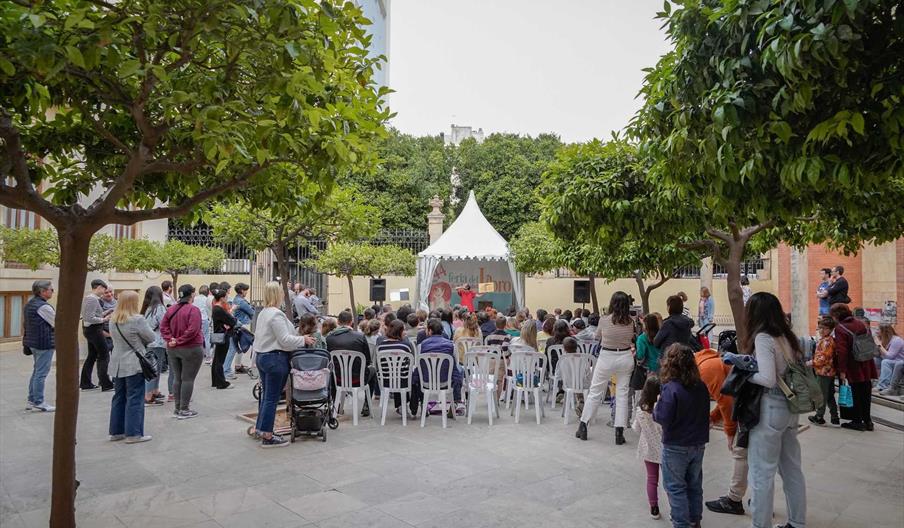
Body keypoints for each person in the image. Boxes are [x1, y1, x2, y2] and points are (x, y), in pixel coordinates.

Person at [745, 292, 807, 528]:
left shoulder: (763, 338)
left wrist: (745, 373)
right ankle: (797, 522)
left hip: (771, 407)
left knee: (762, 473)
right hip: (791, 409)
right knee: (792, 468)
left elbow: (768, 378)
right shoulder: (786, 337)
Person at [653, 344, 711, 528]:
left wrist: (656, 407)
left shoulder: (671, 389)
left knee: (675, 487)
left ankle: (681, 523)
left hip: (676, 445)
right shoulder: (701, 386)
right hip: (698, 443)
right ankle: (695, 520)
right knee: (694, 484)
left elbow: (663, 417)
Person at [253, 282, 313, 447]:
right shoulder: (276, 314)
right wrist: (303, 339)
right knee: (271, 398)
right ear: (277, 295)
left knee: (266, 396)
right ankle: (268, 435)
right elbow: (285, 340)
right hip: (275, 358)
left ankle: (261, 428)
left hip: (263, 357)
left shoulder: (263, 313)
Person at [576, 292, 637, 445]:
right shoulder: (632, 321)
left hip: (606, 357)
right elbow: (632, 338)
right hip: (625, 357)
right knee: (622, 394)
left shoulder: (604, 320)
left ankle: (583, 426)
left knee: (595, 392)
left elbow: (597, 337)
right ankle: (619, 432)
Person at [698, 344, 747, 516]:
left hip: (749, 407)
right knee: (756, 458)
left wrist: (730, 433)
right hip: (749, 402)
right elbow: (726, 397)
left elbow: (726, 402)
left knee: (740, 452)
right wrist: (712, 418)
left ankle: (734, 500)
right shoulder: (706, 361)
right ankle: (760, 499)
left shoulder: (705, 371)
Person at [108, 290, 156, 443]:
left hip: (117, 362)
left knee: (118, 397)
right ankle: (133, 433)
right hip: (134, 363)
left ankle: (116, 431)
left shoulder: (113, 319)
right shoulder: (137, 319)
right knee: (135, 397)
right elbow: (151, 337)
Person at [831, 303, 877, 431]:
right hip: (866, 362)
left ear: (836, 315)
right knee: (866, 392)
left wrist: (842, 370)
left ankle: (857, 421)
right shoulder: (860, 323)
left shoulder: (841, 328)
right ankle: (868, 421)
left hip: (853, 365)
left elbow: (842, 351)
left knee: (854, 392)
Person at [160, 284, 204, 419]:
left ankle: (177, 408)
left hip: (173, 348)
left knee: (177, 378)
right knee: (188, 379)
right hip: (191, 348)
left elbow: (163, 326)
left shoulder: (171, 309)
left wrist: (171, 339)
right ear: (191, 294)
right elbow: (193, 330)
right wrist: (179, 340)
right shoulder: (193, 310)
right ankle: (184, 409)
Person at [326, 310, 376, 418]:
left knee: (332, 372)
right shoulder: (360, 337)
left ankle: (336, 404)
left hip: (338, 379)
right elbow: (367, 360)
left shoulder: (329, 338)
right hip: (359, 379)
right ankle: (366, 404)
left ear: (338, 322)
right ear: (351, 322)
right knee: (373, 370)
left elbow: (328, 360)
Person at [412, 318, 465, 416]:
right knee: (460, 369)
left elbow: (417, 364)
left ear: (430, 331)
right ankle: (456, 402)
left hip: (426, 382)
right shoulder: (451, 345)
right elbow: (456, 363)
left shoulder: (420, 346)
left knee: (416, 372)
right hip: (446, 382)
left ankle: (423, 403)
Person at [632, 376, 663, 520]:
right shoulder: (662, 407)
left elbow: (636, 429)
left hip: (647, 448)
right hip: (664, 449)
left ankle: (654, 508)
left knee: (652, 479)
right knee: (670, 482)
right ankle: (675, 508)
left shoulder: (640, 409)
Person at [23, 280, 56, 412]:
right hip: (44, 343)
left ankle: (31, 399)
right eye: (51, 289)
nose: (52, 291)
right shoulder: (44, 307)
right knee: (41, 373)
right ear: (43, 291)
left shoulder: (30, 303)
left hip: (33, 342)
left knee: (37, 371)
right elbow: (57, 322)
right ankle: (39, 401)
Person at [376, 319, 416, 416]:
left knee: (396, 372)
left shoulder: (381, 346)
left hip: (386, 381)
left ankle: (400, 406)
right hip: (403, 381)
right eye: (404, 330)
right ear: (400, 331)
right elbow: (411, 362)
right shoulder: (406, 346)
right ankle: (413, 406)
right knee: (411, 374)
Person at [80, 279, 114, 392]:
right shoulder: (92, 299)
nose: (104, 292)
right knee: (104, 355)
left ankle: (85, 383)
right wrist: (104, 319)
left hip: (91, 329)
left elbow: (94, 314)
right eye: (104, 289)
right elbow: (89, 317)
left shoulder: (91, 299)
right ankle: (106, 383)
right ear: (99, 287)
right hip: (94, 330)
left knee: (92, 356)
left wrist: (107, 312)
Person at [805, 317, 839, 426]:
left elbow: (823, 357)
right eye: (820, 328)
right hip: (829, 372)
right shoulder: (828, 340)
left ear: (829, 329)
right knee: (829, 395)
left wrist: (812, 362)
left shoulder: (826, 341)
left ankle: (819, 416)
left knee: (822, 395)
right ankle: (834, 417)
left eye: (823, 328)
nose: (821, 330)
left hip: (823, 372)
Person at [140, 286, 168, 405]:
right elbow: (164, 323)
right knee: (154, 368)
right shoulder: (160, 308)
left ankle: (155, 391)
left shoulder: (146, 309)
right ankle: (148, 395)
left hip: (148, 342)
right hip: (158, 341)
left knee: (153, 367)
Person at [210, 289, 235, 390]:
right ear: (222, 298)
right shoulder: (219, 309)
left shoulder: (215, 308)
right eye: (226, 297)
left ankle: (216, 380)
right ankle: (221, 383)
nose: (227, 298)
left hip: (219, 334)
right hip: (223, 335)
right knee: (220, 360)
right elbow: (232, 321)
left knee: (217, 359)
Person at [230, 283, 254, 375]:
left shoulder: (236, 299)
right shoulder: (242, 302)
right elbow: (251, 312)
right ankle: (238, 366)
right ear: (242, 291)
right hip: (243, 325)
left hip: (238, 325)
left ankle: (238, 365)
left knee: (239, 345)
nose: (247, 292)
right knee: (244, 344)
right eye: (246, 290)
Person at [876, 324, 904, 392]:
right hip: (892, 360)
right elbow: (878, 354)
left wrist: (879, 345)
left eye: (878, 330)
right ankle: (873, 380)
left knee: (886, 362)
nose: (876, 331)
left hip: (899, 361)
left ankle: (882, 386)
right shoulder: (884, 339)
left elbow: (890, 356)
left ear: (884, 331)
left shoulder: (896, 340)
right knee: (875, 359)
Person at [193, 284, 212, 365]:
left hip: (195, 319)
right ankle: (208, 357)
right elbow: (209, 310)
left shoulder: (194, 298)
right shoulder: (207, 299)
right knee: (206, 337)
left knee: (196, 337)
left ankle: (196, 356)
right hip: (204, 319)